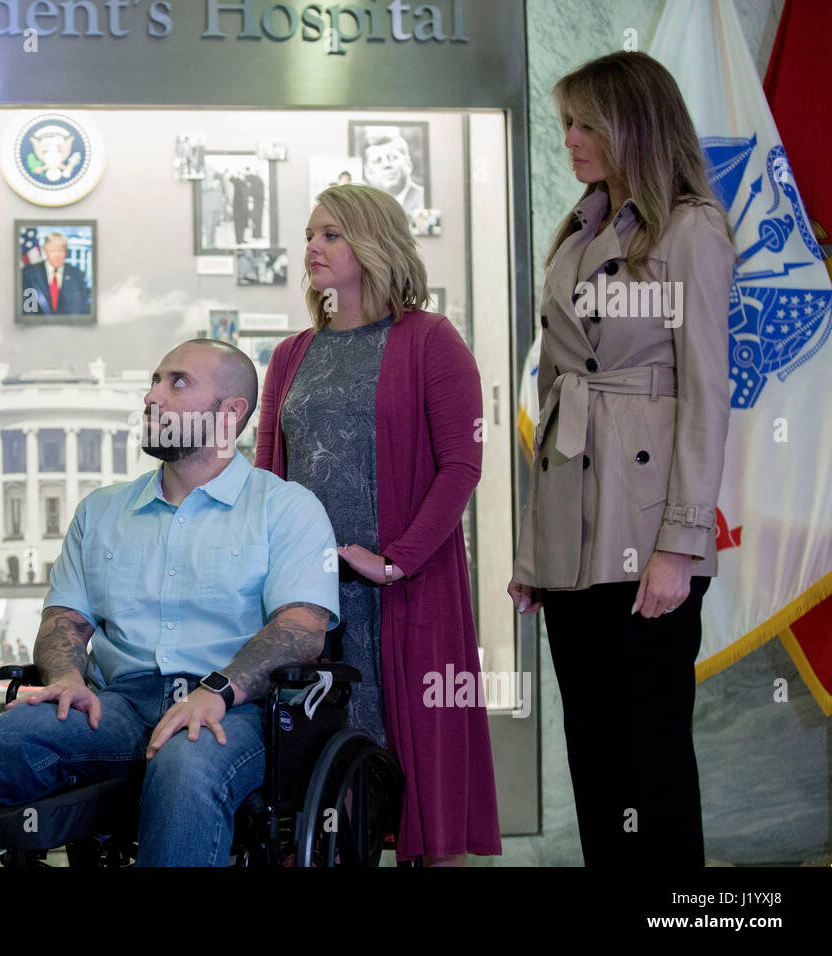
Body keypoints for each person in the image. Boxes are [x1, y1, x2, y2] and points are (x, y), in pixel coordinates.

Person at [0, 339, 340, 866]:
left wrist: (217, 691)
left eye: (178, 382)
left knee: (185, 763)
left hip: (235, 708)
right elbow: (65, 618)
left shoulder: (286, 508)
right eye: (153, 380)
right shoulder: (102, 510)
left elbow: (301, 629)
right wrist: (67, 679)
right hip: (119, 705)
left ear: (231, 412)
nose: (152, 396)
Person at [507, 51, 734, 867]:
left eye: (584, 123)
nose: (567, 138)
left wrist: (681, 542)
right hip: (574, 540)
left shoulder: (691, 228)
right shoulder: (577, 231)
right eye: (565, 121)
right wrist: (537, 551)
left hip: (650, 532)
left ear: (631, 125)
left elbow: (708, 393)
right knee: (595, 755)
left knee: (654, 757)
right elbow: (562, 394)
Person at [255, 183, 501, 866]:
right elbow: (268, 478)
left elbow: (462, 466)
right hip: (311, 598)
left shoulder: (429, 340)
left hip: (403, 591)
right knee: (311, 780)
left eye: (331, 233)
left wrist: (395, 560)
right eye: (310, 234)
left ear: (374, 243)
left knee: (414, 775)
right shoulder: (289, 354)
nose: (313, 247)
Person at [360, 128, 426, 218]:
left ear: (408, 164)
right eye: (377, 161)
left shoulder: (423, 199)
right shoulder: (361, 207)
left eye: (393, 157)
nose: (387, 165)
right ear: (368, 172)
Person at [19, 232, 90, 316]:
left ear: (66, 252)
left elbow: (82, 309)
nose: (57, 255)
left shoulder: (77, 274)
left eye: (61, 251)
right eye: (52, 251)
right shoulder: (30, 273)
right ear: (45, 251)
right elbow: (27, 310)